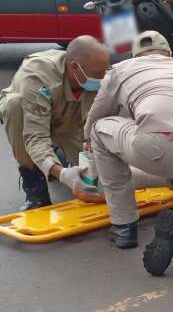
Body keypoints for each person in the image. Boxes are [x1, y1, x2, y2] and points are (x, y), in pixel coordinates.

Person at [84, 31, 173, 276]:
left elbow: (97, 114)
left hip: (153, 146)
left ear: (136, 56)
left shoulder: (121, 70)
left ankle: (123, 226)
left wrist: (87, 145)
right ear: (169, 54)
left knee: (100, 129)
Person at [0, 36, 109, 210]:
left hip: (70, 121)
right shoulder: (38, 75)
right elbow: (36, 135)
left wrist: (94, 162)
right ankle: (35, 188)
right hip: (29, 116)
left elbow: (96, 125)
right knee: (15, 106)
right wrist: (64, 174)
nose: (101, 78)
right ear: (74, 67)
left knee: (101, 176)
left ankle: (58, 154)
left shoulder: (95, 74)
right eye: (96, 75)